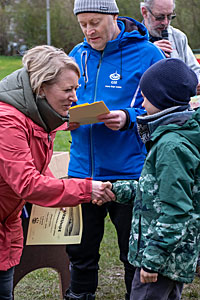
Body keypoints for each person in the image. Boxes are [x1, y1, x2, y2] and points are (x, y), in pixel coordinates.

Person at [64, 0, 165, 299]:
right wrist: (65, 118)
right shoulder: (76, 55)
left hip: (130, 174)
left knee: (132, 254)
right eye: (82, 24)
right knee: (80, 254)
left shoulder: (149, 55)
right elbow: (63, 101)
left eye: (94, 22)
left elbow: (169, 108)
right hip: (82, 174)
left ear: (115, 17)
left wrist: (128, 118)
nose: (88, 31)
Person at [0, 45, 115, 300]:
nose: (75, 97)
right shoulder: (7, 121)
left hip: (6, 227)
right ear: (41, 88)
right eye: (67, 90)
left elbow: (32, 167)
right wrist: (86, 189)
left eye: (76, 88)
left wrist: (57, 190)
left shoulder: (38, 114)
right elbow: (27, 183)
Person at [112, 58, 200, 300]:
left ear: (162, 99)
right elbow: (160, 190)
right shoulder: (175, 134)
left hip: (162, 259)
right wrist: (117, 190)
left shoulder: (171, 145)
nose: (141, 101)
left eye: (146, 96)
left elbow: (176, 209)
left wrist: (152, 259)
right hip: (169, 257)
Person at [140, 0, 200, 94]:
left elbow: (194, 70)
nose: (165, 22)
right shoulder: (131, 38)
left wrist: (195, 82)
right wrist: (148, 51)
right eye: (159, 17)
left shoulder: (178, 37)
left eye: (170, 16)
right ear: (144, 12)